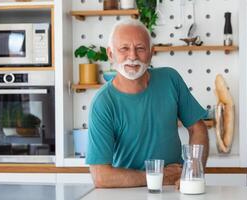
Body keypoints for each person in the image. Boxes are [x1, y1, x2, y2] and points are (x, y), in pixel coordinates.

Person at [86, 19, 209, 188]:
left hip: (174, 188)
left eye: (140, 48)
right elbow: (101, 176)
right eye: (124, 48)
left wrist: (192, 171)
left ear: (151, 53)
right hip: (127, 191)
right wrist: (159, 177)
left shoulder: (170, 79)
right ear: (110, 54)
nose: (132, 56)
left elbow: (198, 128)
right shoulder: (103, 103)